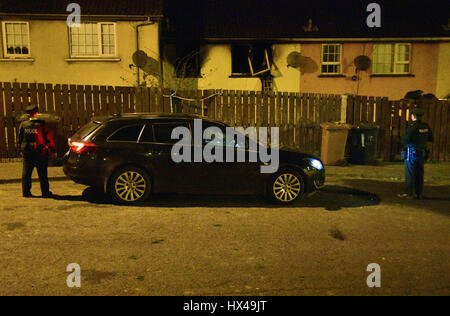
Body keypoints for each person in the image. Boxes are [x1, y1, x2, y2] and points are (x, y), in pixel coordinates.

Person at [18, 105, 56, 198]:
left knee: (26, 173)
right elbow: (48, 138)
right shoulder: (42, 124)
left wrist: (20, 149)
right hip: (40, 152)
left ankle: (26, 192)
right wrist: (52, 150)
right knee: (42, 173)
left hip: (27, 151)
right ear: (36, 113)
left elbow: (20, 138)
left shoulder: (23, 125)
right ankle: (45, 192)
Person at [398, 108, 433, 199]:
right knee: (420, 173)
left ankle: (409, 193)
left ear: (413, 116)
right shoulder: (425, 126)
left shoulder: (413, 127)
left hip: (412, 153)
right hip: (422, 152)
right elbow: (431, 138)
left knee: (410, 173)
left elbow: (404, 140)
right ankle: (419, 193)